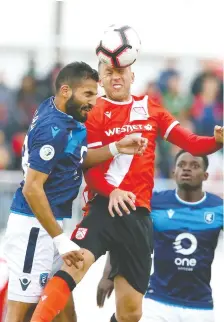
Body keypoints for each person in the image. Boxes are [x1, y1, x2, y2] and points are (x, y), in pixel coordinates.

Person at [30, 62, 223, 322]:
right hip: (103, 207)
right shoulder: (93, 110)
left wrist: (215, 142)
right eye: (108, 73)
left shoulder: (150, 108)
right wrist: (113, 192)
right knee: (71, 266)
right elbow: (89, 165)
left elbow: (189, 142)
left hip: (137, 215)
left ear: (132, 75)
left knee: (130, 313)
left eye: (120, 72)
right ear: (101, 80)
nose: (115, 77)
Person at [3, 61, 148, 322]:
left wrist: (116, 148)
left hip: (51, 224)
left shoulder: (59, 109)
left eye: (96, 93)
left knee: (63, 308)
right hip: (33, 226)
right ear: (67, 91)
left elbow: (75, 159)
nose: (94, 101)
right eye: (88, 94)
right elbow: (32, 189)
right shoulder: (53, 130)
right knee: (19, 309)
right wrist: (60, 239)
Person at [97, 150, 223, 322]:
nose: (187, 169)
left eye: (194, 166)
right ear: (174, 172)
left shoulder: (218, 208)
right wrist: (108, 273)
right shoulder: (154, 202)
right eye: (181, 165)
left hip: (200, 306)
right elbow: (125, 235)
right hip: (158, 302)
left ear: (205, 175)